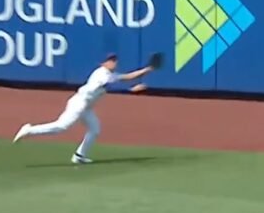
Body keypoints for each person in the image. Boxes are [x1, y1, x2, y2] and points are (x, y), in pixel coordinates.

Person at [12, 53, 156, 164]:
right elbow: (110, 87)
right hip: (79, 104)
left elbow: (128, 76)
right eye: (111, 60)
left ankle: (79, 155)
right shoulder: (101, 74)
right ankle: (29, 130)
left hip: (86, 107)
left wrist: (147, 69)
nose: (114, 62)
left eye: (115, 60)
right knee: (61, 127)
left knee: (95, 129)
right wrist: (131, 90)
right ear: (104, 63)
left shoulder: (110, 75)